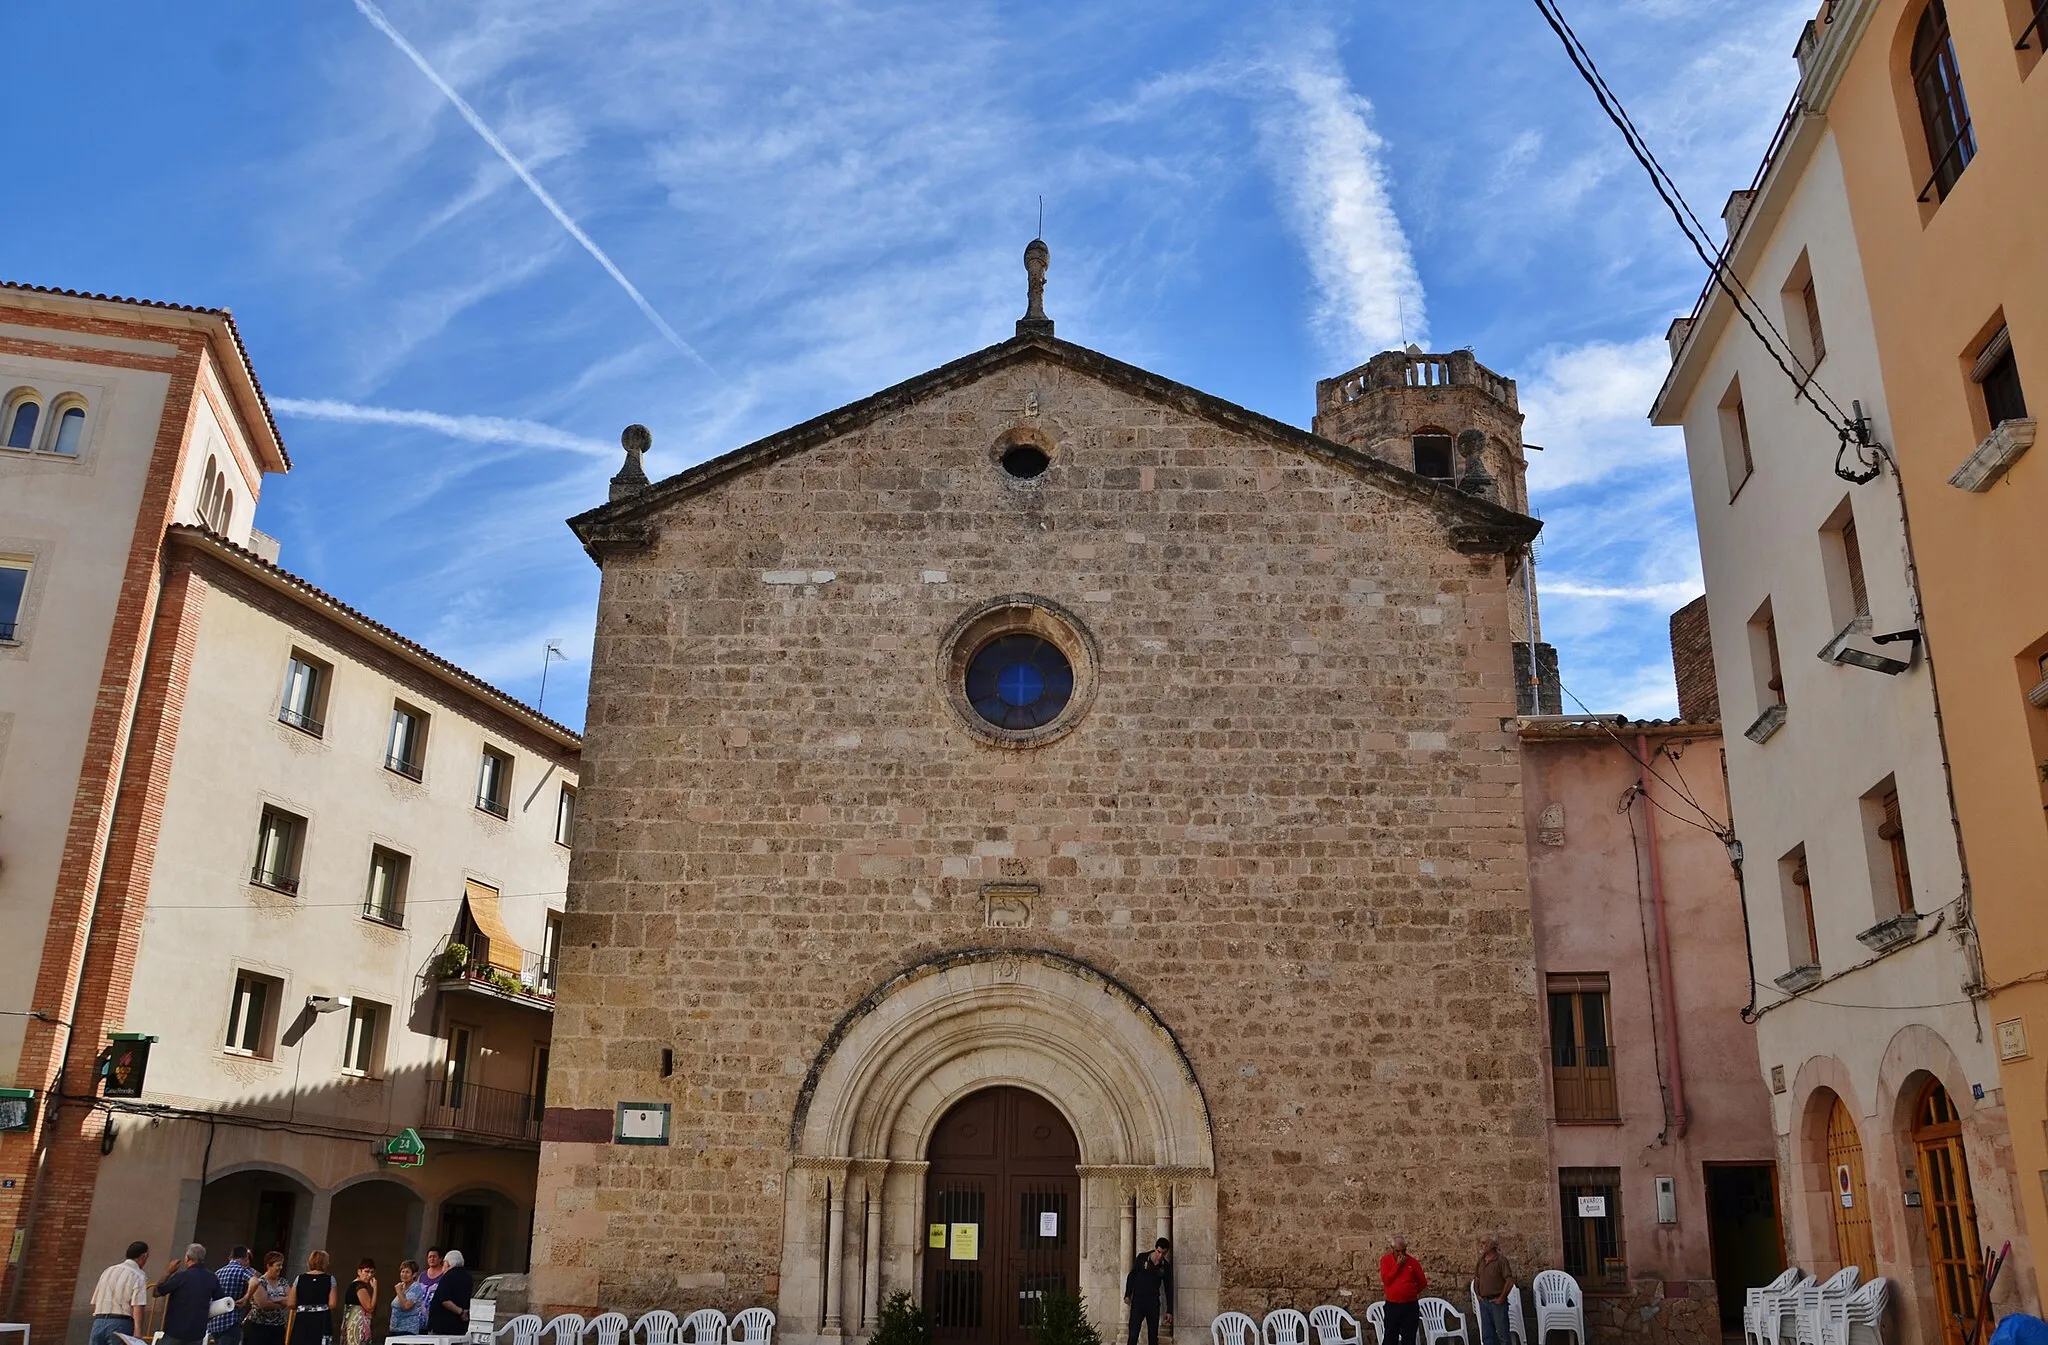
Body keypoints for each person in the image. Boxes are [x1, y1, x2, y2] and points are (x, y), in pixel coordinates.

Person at [88, 1241, 152, 1345]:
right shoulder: (138, 1275)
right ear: (143, 1256)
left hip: (99, 1322)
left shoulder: (108, 1271)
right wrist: (138, 1331)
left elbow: (95, 1301)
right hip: (121, 1323)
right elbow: (138, 1305)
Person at [154, 1243, 216, 1345]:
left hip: (175, 1331)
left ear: (187, 1258)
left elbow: (157, 1292)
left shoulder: (181, 1277)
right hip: (197, 1332)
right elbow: (220, 1301)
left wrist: (168, 1272)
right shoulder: (212, 1277)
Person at [1123, 1237, 1174, 1345]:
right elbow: (1132, 1276)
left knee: (1153, 1336)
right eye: (1159, 1252)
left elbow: (1168, 1288)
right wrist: (1128, 1294)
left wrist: (1169, 1310)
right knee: (1133, 1334)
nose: (1160, 1256)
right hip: (1138, 1301)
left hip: (1153, 1303)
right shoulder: (1142, 1258)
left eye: (1163, 1253)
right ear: (1155, 1249)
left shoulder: (1165, 1267)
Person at [1379, 1237, 1427, 1345]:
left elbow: (1422, 1282)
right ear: (1392, 1249)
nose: (1400, 1254)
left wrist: (1410, 1292)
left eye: (1403, 1251)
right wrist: (1398, 1266)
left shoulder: (1413, 1262)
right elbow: (1386, 1280)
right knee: (1390, 1338)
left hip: (1410, 1306)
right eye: (1397, 1251)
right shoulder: (1385, 1261)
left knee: (1409, 1338)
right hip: (1393, 1306)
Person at [287, 1250, 339, 1345]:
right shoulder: (330, 1279)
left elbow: (291, 1303)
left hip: (302, 1320)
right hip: (321, 1320)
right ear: (324, 1262)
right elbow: (332, 1304)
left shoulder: (299, 1278)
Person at [1472, 1237, 1516, 1345]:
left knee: (1502, 1334)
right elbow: (1477, 1278)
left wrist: (1501, 1298)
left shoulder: (1501, 1261)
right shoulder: (1481, 1261)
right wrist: (1478, 1294)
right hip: (1484, 1302)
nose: (1481, 1246)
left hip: (1497, 1301)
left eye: (1484, 1244)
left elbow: (1509, 1281)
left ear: (1491, 1245)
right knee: (1487, 1335)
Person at [213, 1246, 257, 1345]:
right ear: (245, 1259)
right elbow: (254, 1282)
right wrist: (246, 1298)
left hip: (215, 1323)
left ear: (230, 1257)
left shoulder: (218, 1272)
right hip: (231, 1322)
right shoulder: (242, 1270)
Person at [244, 1253, 291, 1345]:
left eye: (281, 1265)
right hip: (259, 1327)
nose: (281, 1268)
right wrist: (282, 1301)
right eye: (278, 1265)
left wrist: (272, 1299)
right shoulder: (260, 1282)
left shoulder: (283, 1282)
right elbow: (263, 1304)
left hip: (278, 1327)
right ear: (269, 1265)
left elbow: (291, 1300)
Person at [426, 1249, 473, 1336]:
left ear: (448, 1264)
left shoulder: (448, 1276)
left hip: (442, 1325)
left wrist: (460, 1312)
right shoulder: (468, 1277)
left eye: (444, 1263)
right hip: (459, 1326)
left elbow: (444, 1299)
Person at [342, 1260, 378, 1345]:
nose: (369, 1275)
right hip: (357, 1326)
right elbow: (370, 1307)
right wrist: (375, 1288)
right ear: (359, 1271)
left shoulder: (354, 1285)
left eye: (372, 1272)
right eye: (366, 1271)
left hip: (350, 1324)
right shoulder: (359, 1286)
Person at [389, 1260, 427, 1337]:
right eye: (402, 1271)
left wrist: (399, 1291)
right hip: (395, 1329)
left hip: (408, 1331)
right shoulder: (402, 1286)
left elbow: (406, 1306)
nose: (404, 1274)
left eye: (407, 1272)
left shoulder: (415, 1287)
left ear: (414, 1274)